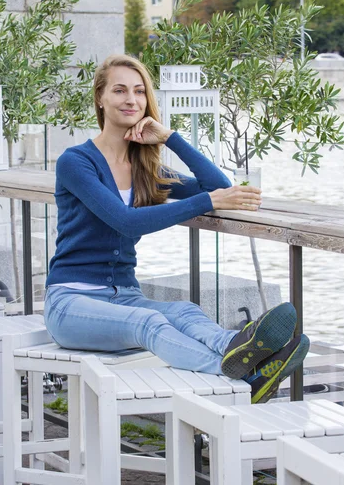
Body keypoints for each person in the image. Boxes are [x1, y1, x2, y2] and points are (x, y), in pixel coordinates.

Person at [44, 54, 309, 403]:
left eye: (139, 92)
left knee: (184, 311)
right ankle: (246, 377)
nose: (131, 99)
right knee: (149, 325)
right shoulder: (76, 162)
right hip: (70, 302)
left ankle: (234, 346)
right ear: (100, 98)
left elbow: (216, 185)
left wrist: (169, 138)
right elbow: (126, 222)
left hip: (125, 296)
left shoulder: (146, 169)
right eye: (120, 90)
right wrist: (210, 202)